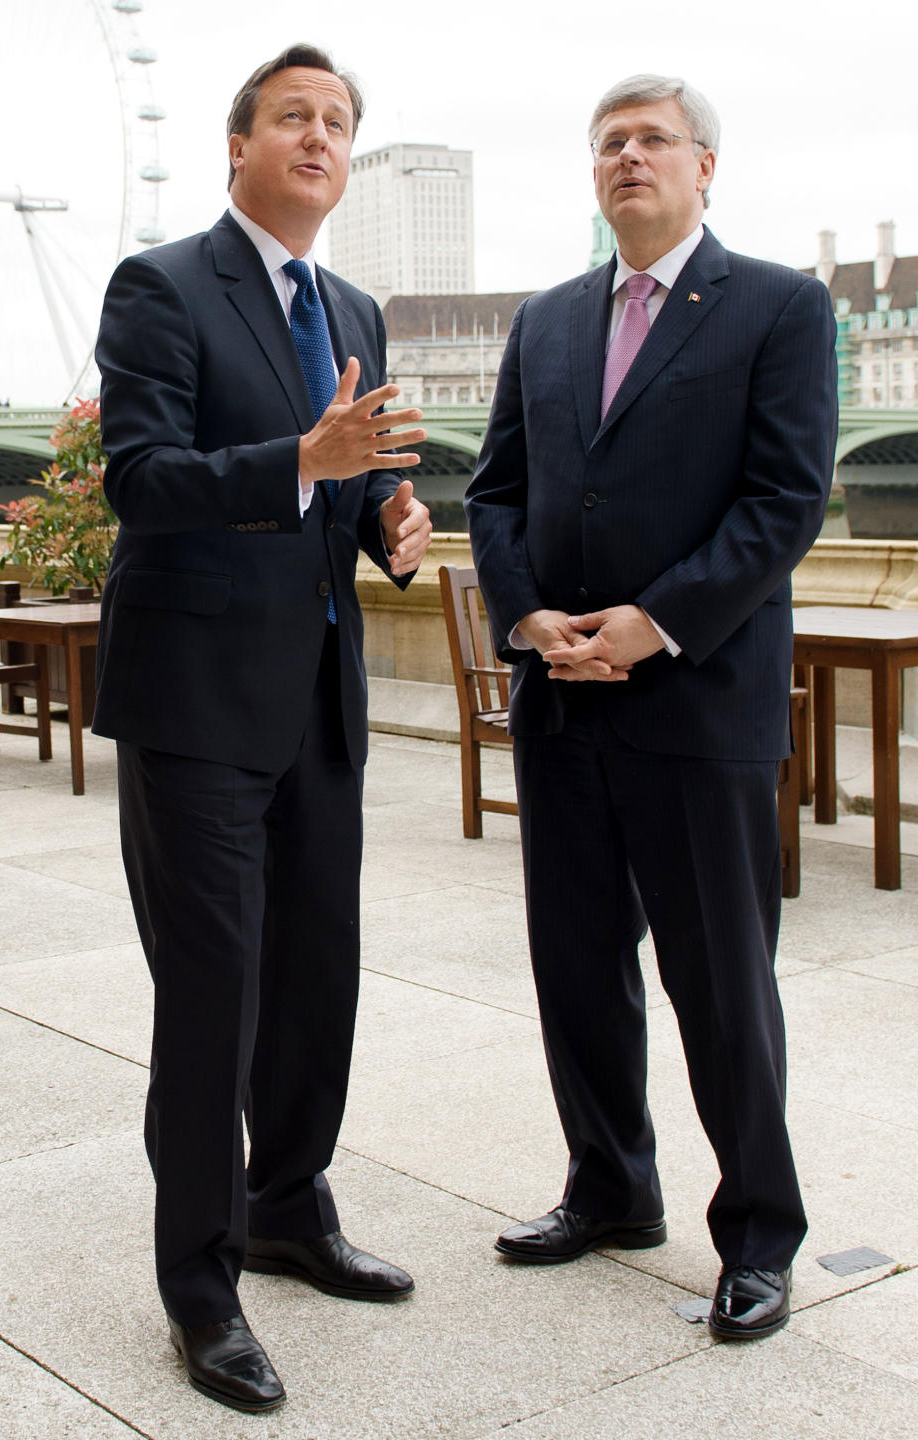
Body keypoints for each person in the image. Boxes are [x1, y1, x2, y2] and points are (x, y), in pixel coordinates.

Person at [464, 74, 837, 1341]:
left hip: (698, 700)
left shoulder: (780, 307)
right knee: (577, 971)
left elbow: (784, 502)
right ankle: (611, 1190)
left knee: (722, 982)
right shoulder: (549, 320)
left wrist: (654, 621)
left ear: (705, 168)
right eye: (609, 142)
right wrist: (526, 617)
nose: (629, 156)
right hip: (561, 699)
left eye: (654, 140)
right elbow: (497, 490)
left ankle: (761, 1237)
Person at [93, 44, 432, 1413]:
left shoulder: (352, 303)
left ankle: (291, 1208)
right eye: (294, 115)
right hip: (192, 706)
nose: (320, 136)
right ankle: (202, 1286)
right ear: (239, 145)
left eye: (340, 122)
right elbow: (141, 480)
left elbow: (346, 501)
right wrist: (303, 460)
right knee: (214, 996)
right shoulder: (162, 285)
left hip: (314, 701)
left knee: (315, 977)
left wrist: (389, 526)